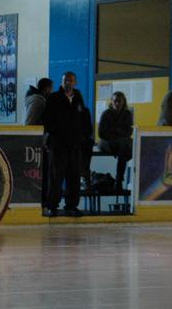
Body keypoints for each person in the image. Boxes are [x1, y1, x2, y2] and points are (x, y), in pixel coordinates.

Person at [42, 71, 93, 217]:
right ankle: (52, 206)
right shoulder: (54, 98)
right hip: (58, 144)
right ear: (61, 82)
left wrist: (83, 136)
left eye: (71, 80)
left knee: (74, 177)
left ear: (75, 82)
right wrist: (55, 134)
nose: (68, 83)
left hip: (75, 145)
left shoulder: (78, 98)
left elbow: (84, 118)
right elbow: (47, 119)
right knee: (56, 177)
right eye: (65, 80)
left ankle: (71, 205)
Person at [98, 91, 134, 193]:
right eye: (115, 101)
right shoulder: (106, 114)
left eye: (119, 101)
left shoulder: (127, 114)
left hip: (121, 143)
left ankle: (119, 180)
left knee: (126, 146)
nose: (117, 103)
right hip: (106, 142)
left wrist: (114, 131)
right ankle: (119, 180)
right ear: (111, 102)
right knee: (123, 145)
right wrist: (118, 133)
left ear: (123, 102)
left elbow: (129, 131)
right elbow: (101, 133)